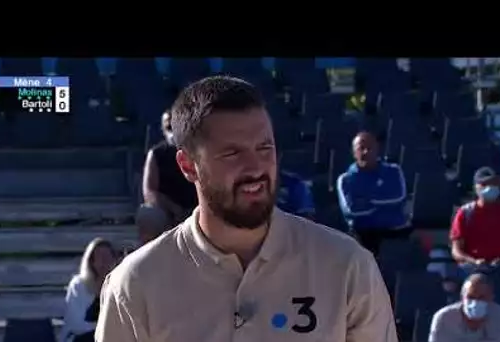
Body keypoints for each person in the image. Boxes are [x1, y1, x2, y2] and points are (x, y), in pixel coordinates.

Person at [96, 76, 397, 342]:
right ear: (189, 166)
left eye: (264, 148)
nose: (255, 168)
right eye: (232, 153)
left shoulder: (348, 267)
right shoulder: (135, 285)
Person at [336, 131, 411, 257]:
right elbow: (352, 210)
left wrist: (368, 201)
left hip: (395, 229)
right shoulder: (345, 179)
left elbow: (399, 198)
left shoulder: (393, 171)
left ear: (377, 150)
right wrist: (383, 201)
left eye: (369, 148)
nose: (366, 152)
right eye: (361, 148)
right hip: (364, 234)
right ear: (354, 153)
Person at [450, 166, 500, 279]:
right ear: (476, 188)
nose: (490, 188)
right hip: (472, 269)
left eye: (494, 184)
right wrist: (475, 261)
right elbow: (456, 251)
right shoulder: (465, 213)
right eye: (485, 184)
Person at [136, 111, 198, 244]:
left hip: (199, 209)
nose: (173, 132)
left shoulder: (197, 152)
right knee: (148, 215)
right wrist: (173, 208)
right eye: (169, 127)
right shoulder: (156, 154)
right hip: (168, 211)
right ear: (163, 130)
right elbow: (149, 191)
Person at [429, 273, 500, 342]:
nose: (475, 302)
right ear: (462, 297)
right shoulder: (444, 317)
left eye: (481, 297)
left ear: (491, 298)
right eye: (471, 297)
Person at [61, 238, 117, 342]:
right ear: (91, 261)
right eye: (100, 257)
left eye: (108, 257)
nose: (105, 262)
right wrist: (104, 327)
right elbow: (76, 325)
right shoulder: (78, 285)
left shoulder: (118, 285)